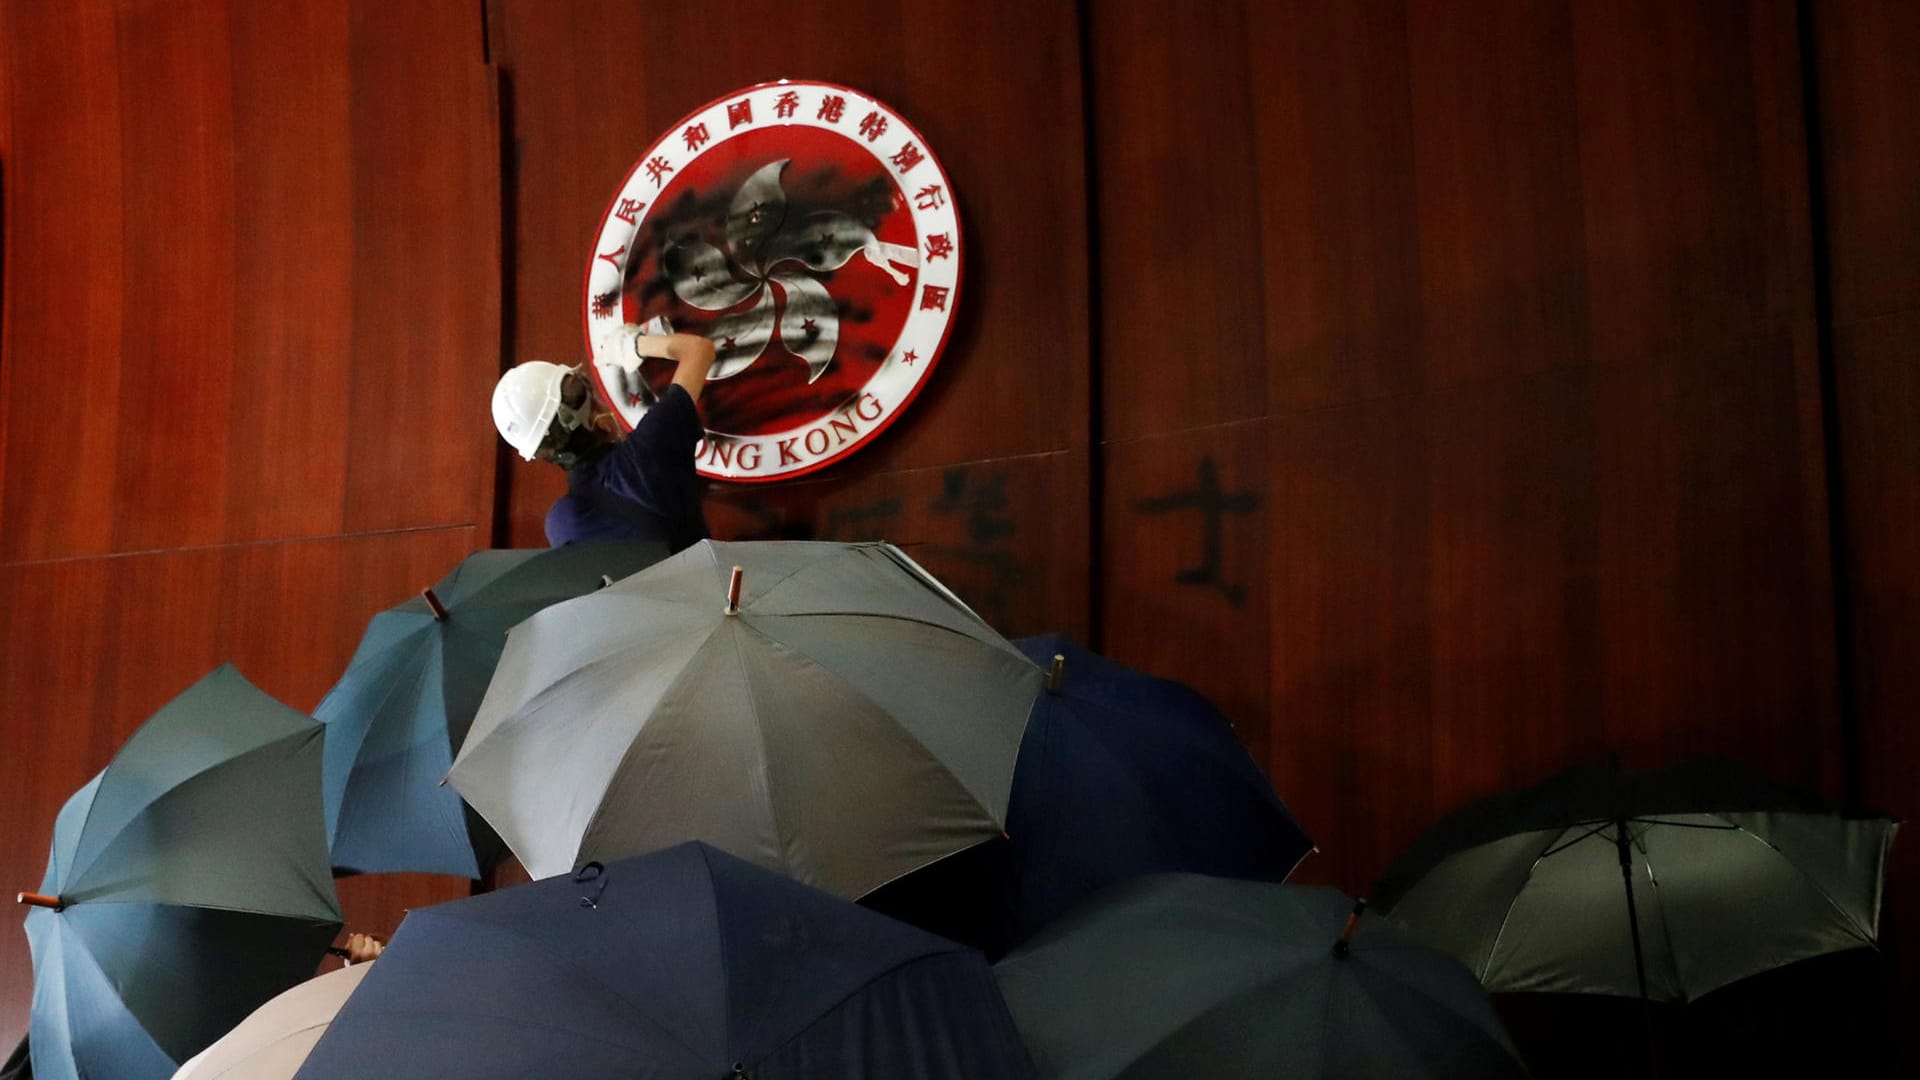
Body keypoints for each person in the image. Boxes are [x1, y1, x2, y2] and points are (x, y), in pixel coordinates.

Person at [492, 323, 716, 551]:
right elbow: (698, 350)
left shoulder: (562, 523)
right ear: (598, 420)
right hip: (717, 584)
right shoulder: (650, 447)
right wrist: (632, 345)